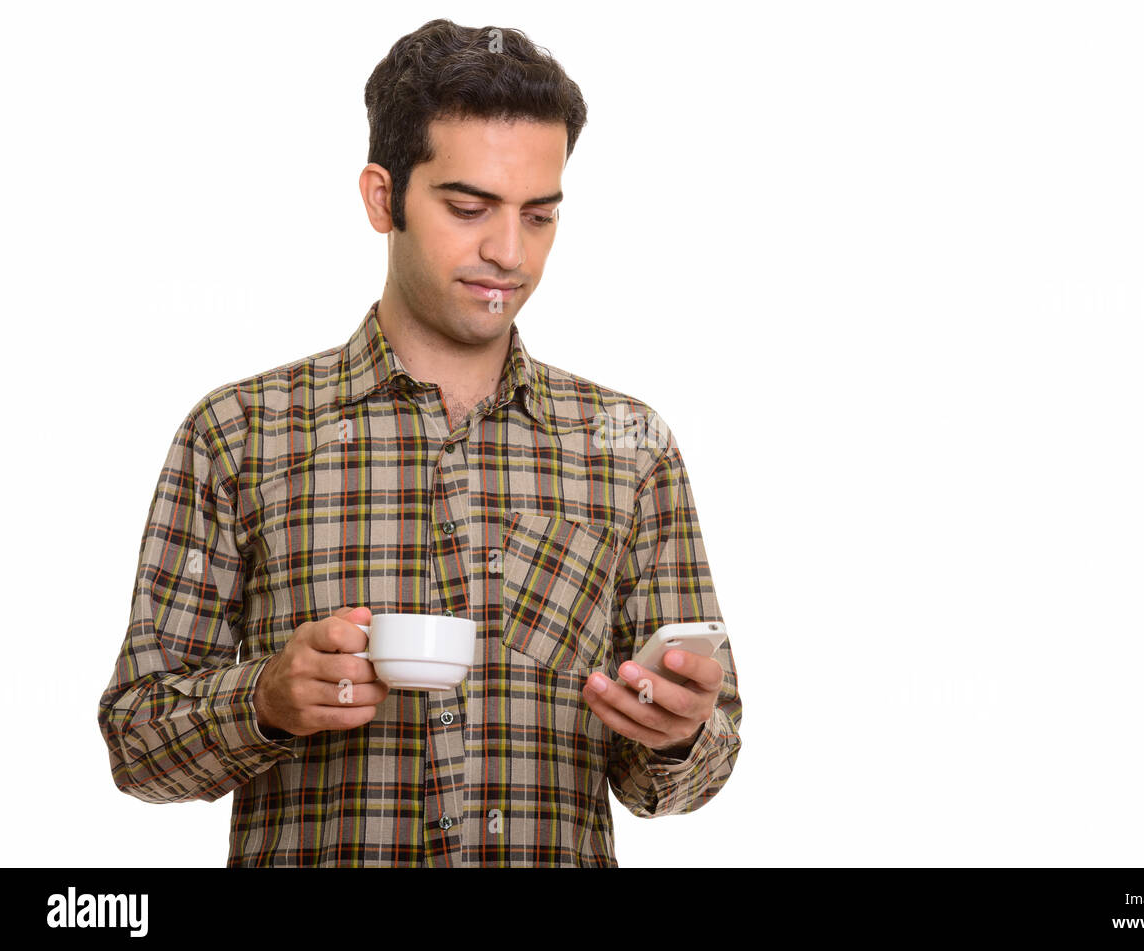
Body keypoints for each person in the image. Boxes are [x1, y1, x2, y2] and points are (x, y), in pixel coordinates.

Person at [97, 18, 741, 867]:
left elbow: (705, 755)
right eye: (469, 207)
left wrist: (676, 734)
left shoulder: (628, 444)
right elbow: (136, 741)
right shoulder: (238, 434)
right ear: (381, 197)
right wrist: (265, 697)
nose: (508, 253)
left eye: (539, 215)